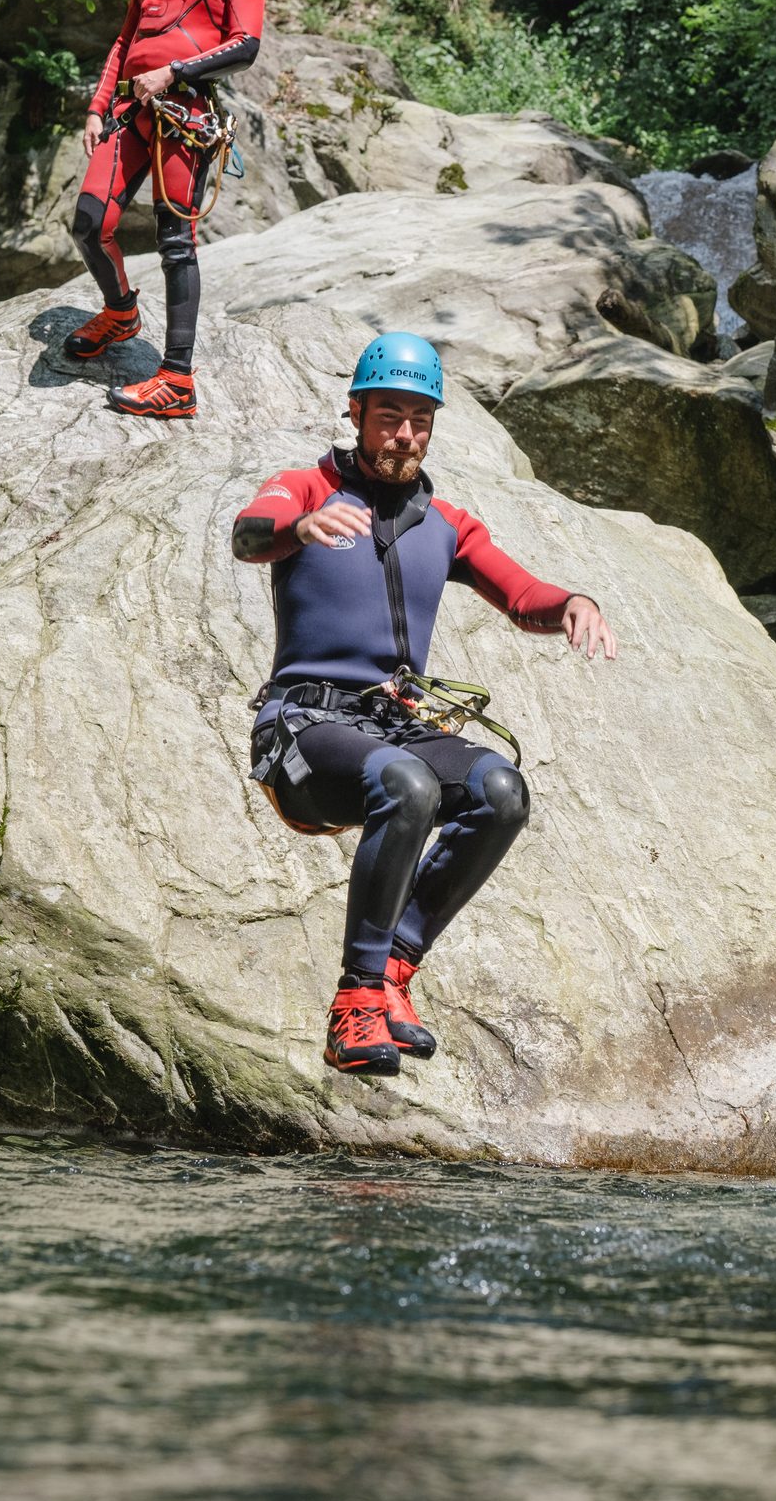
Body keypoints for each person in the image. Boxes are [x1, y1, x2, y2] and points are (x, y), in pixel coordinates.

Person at [232, 332, 617, 1077]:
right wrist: (298, 529)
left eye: (419, 419)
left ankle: (395, 971)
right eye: (388, 416)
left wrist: (574, 600)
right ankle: (355, 1002)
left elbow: (521, 593)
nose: (404, 434)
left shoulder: (445, 524)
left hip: (388, 724)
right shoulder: (308, 487)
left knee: (501, 791)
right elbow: (250, 533)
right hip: (304, 728)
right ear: (356, 411)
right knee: (406, 784)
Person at [62, 0, 264, 420]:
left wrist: (174, 73)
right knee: (88, 222)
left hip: (186, 115)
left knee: (176, 244)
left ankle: (177, 379)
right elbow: (125, 38)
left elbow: (245, 45)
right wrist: (98, 106)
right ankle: (121, 312)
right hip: (130, 110)